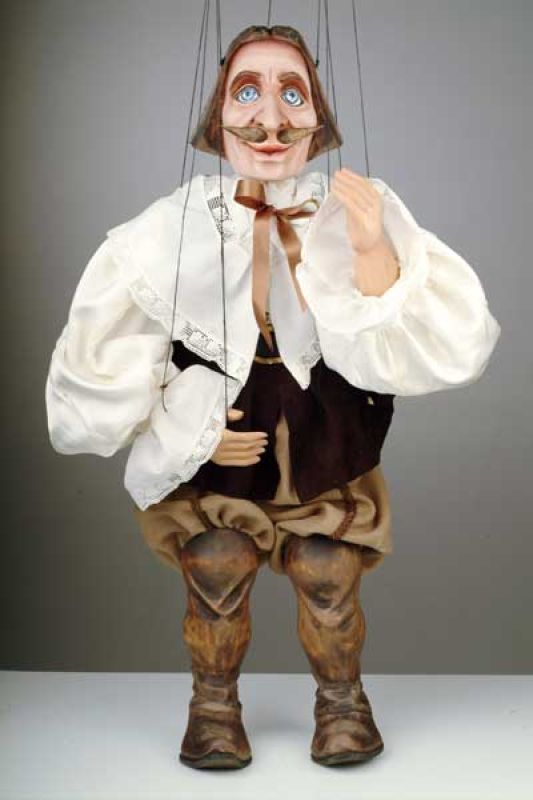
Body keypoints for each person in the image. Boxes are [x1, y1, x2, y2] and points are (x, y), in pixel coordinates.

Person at [45, 24, 501, 770]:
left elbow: (422, 339)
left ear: (318, 117)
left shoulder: (354, 205)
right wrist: (190, 430)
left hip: (322, 431)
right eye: (247, 92)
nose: (269, 119)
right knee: (216, 562)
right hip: (227, 437)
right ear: (218, 113)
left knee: (327, 567)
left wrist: (370, 247)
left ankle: (342, 704)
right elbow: (107, 366)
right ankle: (213, 709)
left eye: (292, 94)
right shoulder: (170, 227)